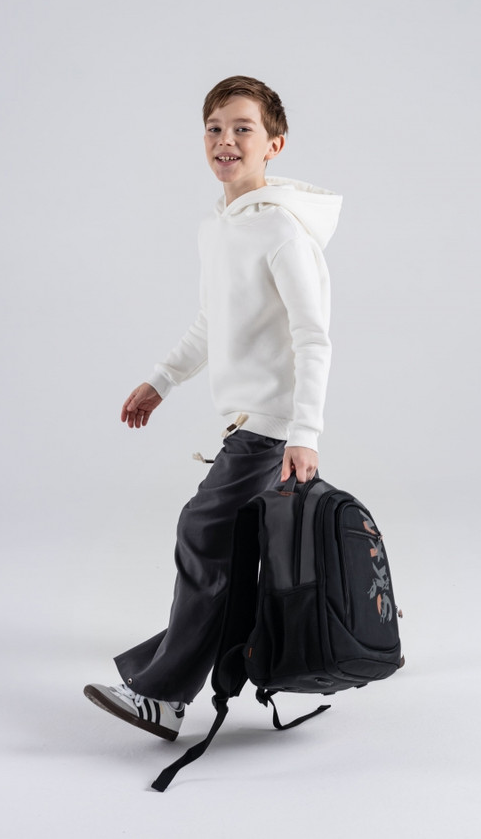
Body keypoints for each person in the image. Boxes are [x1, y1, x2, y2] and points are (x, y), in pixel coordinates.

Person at [84, 76, 342, 741]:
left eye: (242, 128)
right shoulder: (218, 228)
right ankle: (168, 670)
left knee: (204, 532)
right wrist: (161, 380)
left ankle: (162, 695)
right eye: (214, 128)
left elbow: (312, 337)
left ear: (274, 144)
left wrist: (305, 432)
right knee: (222, 546)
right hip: (245, 422)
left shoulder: (281, 229)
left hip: (271, 426)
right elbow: (211, 322)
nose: (226, 140)